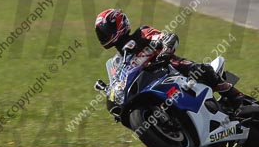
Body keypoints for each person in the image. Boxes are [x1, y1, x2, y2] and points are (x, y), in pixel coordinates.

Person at [94, 8, 245, 104]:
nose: (104, 35)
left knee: (200, 70)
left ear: (118, 25)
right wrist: (110, 92)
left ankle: (236, 97)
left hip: (171, 70)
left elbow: (167, 37)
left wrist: (165, 51)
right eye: (101, 33)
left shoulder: (142, 34)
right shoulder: (116, 62)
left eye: (106, 30)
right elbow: (118, 83)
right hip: (149, 89)